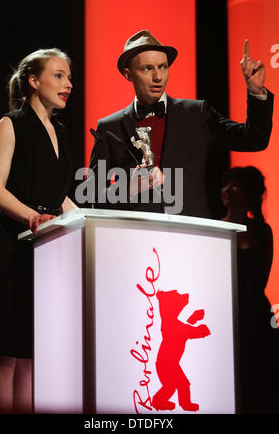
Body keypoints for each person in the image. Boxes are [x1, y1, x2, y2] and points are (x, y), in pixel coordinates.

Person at [0, 48, 77, 413]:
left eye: (69, 77)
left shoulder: (60, 132)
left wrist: (87, 223)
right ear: (33, 81)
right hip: (9, 248)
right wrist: (33, 218)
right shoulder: (11, 123)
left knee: (32, 355)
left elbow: (58, 195)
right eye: (58, 75)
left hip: (44, 251)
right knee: (4, 356)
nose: (68, 84)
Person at [87, 30, 273, 217]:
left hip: (189, 236)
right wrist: (128, 189)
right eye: (147, 68)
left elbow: (254, 139)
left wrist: (256, 92)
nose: (158, 77)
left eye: (163, 67)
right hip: (133, 237)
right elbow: (91, 198)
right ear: (128, 74)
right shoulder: (109, 128)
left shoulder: (196, 113)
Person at [221, 166, 279, 413]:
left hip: (255, 312)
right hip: (225, 315)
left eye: (237, 184)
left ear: (250, 192)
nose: (228, 189)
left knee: (261, 378)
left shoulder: (261, 231)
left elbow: (262, 278)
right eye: (227, 184)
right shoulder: (214, 227)